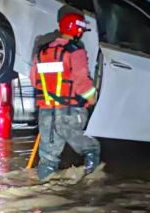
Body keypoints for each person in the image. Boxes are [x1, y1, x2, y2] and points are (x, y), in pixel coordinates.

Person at [30, 10, 100, 181]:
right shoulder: (75, 52)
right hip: (70, 113)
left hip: (46, 114)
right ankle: (92, 183)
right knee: (91, 148)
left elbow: (34, 80)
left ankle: (42, 189)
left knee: (48, 160)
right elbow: (82, 80)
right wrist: (92, 98)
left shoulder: (42, 52)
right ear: (77, 30)